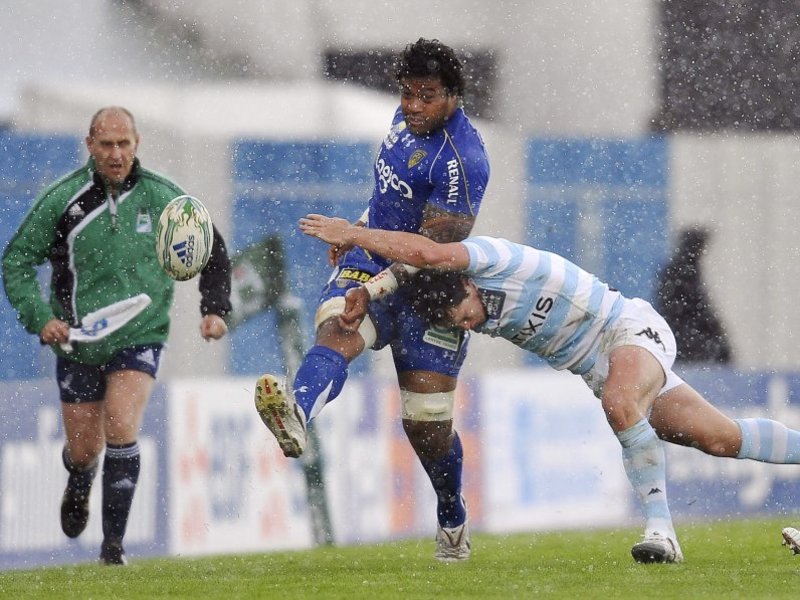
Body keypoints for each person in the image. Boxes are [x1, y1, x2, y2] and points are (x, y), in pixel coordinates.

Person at [298, 213, 800, 564]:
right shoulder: (446, 290)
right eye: (461, 324)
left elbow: (427, 252)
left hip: (623, 328)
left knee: (621, 404)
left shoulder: (490, 259)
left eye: (469, 315)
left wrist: (352, 232)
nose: (470, 326)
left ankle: (661, 532)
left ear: (470, 285)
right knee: (719, 438)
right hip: (599, 366)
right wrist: (369, 289)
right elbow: (412, 268)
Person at [253, 38, 490, 562]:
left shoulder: (464, 162)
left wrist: (370, 278)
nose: (412, 106)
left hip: (428, 288)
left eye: (425, 96)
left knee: (426, 427)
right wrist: (361, 226)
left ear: (453, 96)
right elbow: (391, 194)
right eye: (406, 94)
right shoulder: (407, 120)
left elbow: (426, 255)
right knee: (337, 326)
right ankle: (298, 411)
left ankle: (451, 511)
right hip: (371, 258)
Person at [2, 106, 232, 565]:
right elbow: (15, 262)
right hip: (78, 340)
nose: (115, 153)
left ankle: (113, 551)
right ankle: (80, 477)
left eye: (123, 144)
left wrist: (214, 310)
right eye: (106, 144)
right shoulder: (62, 200)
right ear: (90, 146)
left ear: (137, 144)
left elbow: (214, 249)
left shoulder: (164, 196)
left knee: (122, 424)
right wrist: (42, 317)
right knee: (86, 449)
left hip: (141, 333)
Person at [654, 226, 732, 363]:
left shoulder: (688, 269)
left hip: (685, 333)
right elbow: (686, 307)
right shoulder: (681, 271)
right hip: (683, 335)